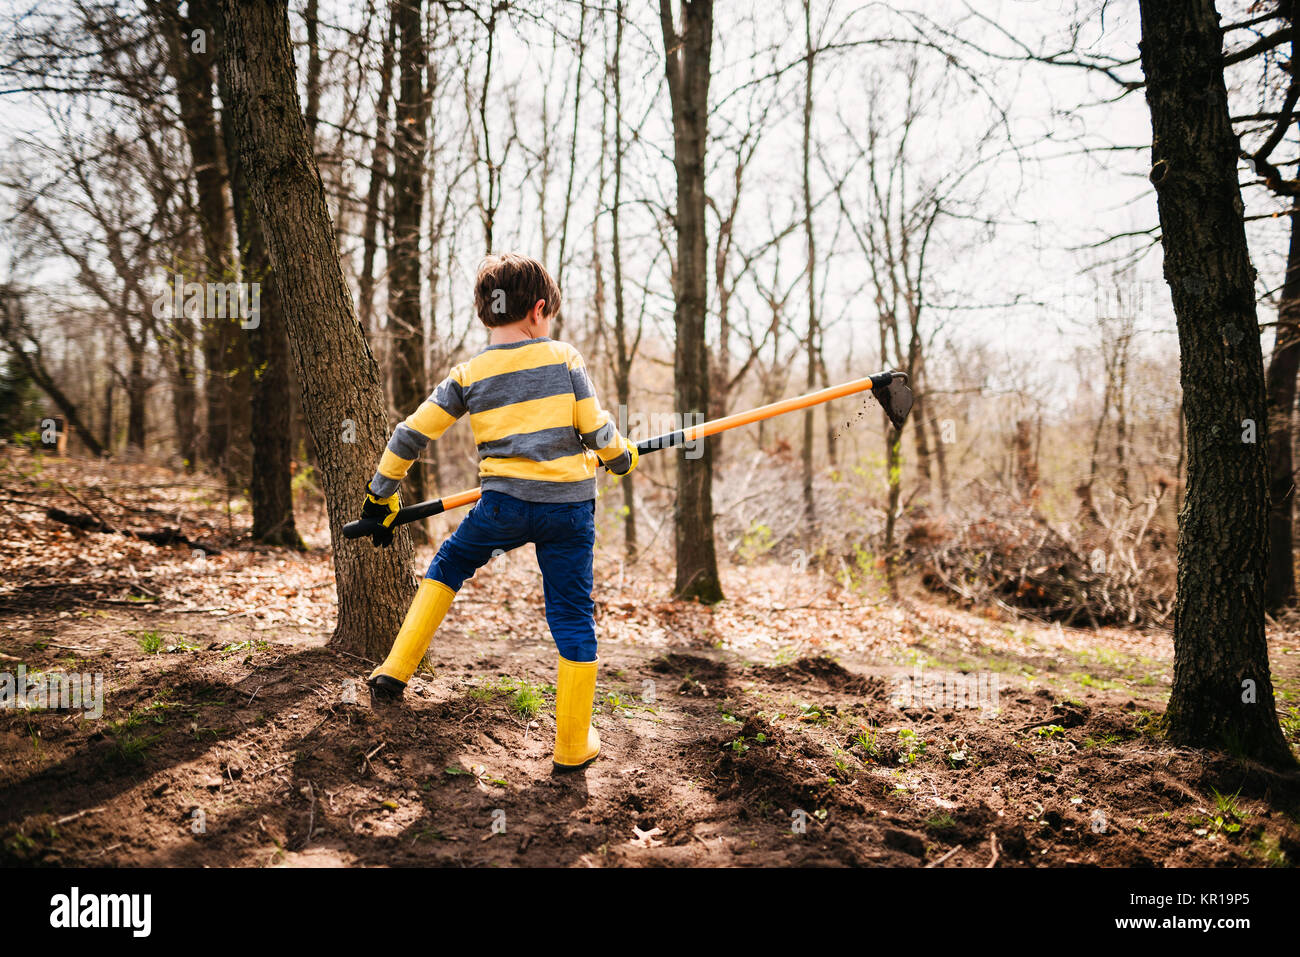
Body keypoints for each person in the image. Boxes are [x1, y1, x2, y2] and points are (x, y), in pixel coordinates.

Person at [358, 252, 638, 771]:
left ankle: (394, 670)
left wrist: (381, 496)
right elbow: (597, 431)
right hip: (568, 512)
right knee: (573, 615)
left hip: (502, 506)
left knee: (448, 564)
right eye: (548, 314)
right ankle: (573, 746)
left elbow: (408, 435)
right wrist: (621, 457)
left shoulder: (470, 373)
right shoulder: (563, 358)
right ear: (537, 310)